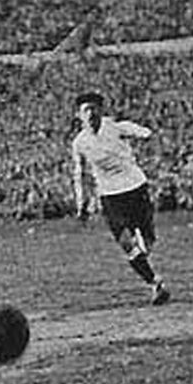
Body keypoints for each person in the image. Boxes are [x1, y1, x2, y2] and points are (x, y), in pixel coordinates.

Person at [70, 91, 170, 306]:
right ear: (79, 115)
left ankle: (146, 249)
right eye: (86, 110)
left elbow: (143, 132)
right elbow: (80, 175)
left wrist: (147, 135)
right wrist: (82, 205)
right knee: (126, 243)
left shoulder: (115, 127)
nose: (91, 114)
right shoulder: (80, 143)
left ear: (100, 111)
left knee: (148, 239)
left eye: (94, 109)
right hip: (110, 196)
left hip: (135, 187)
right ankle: (155, 283)